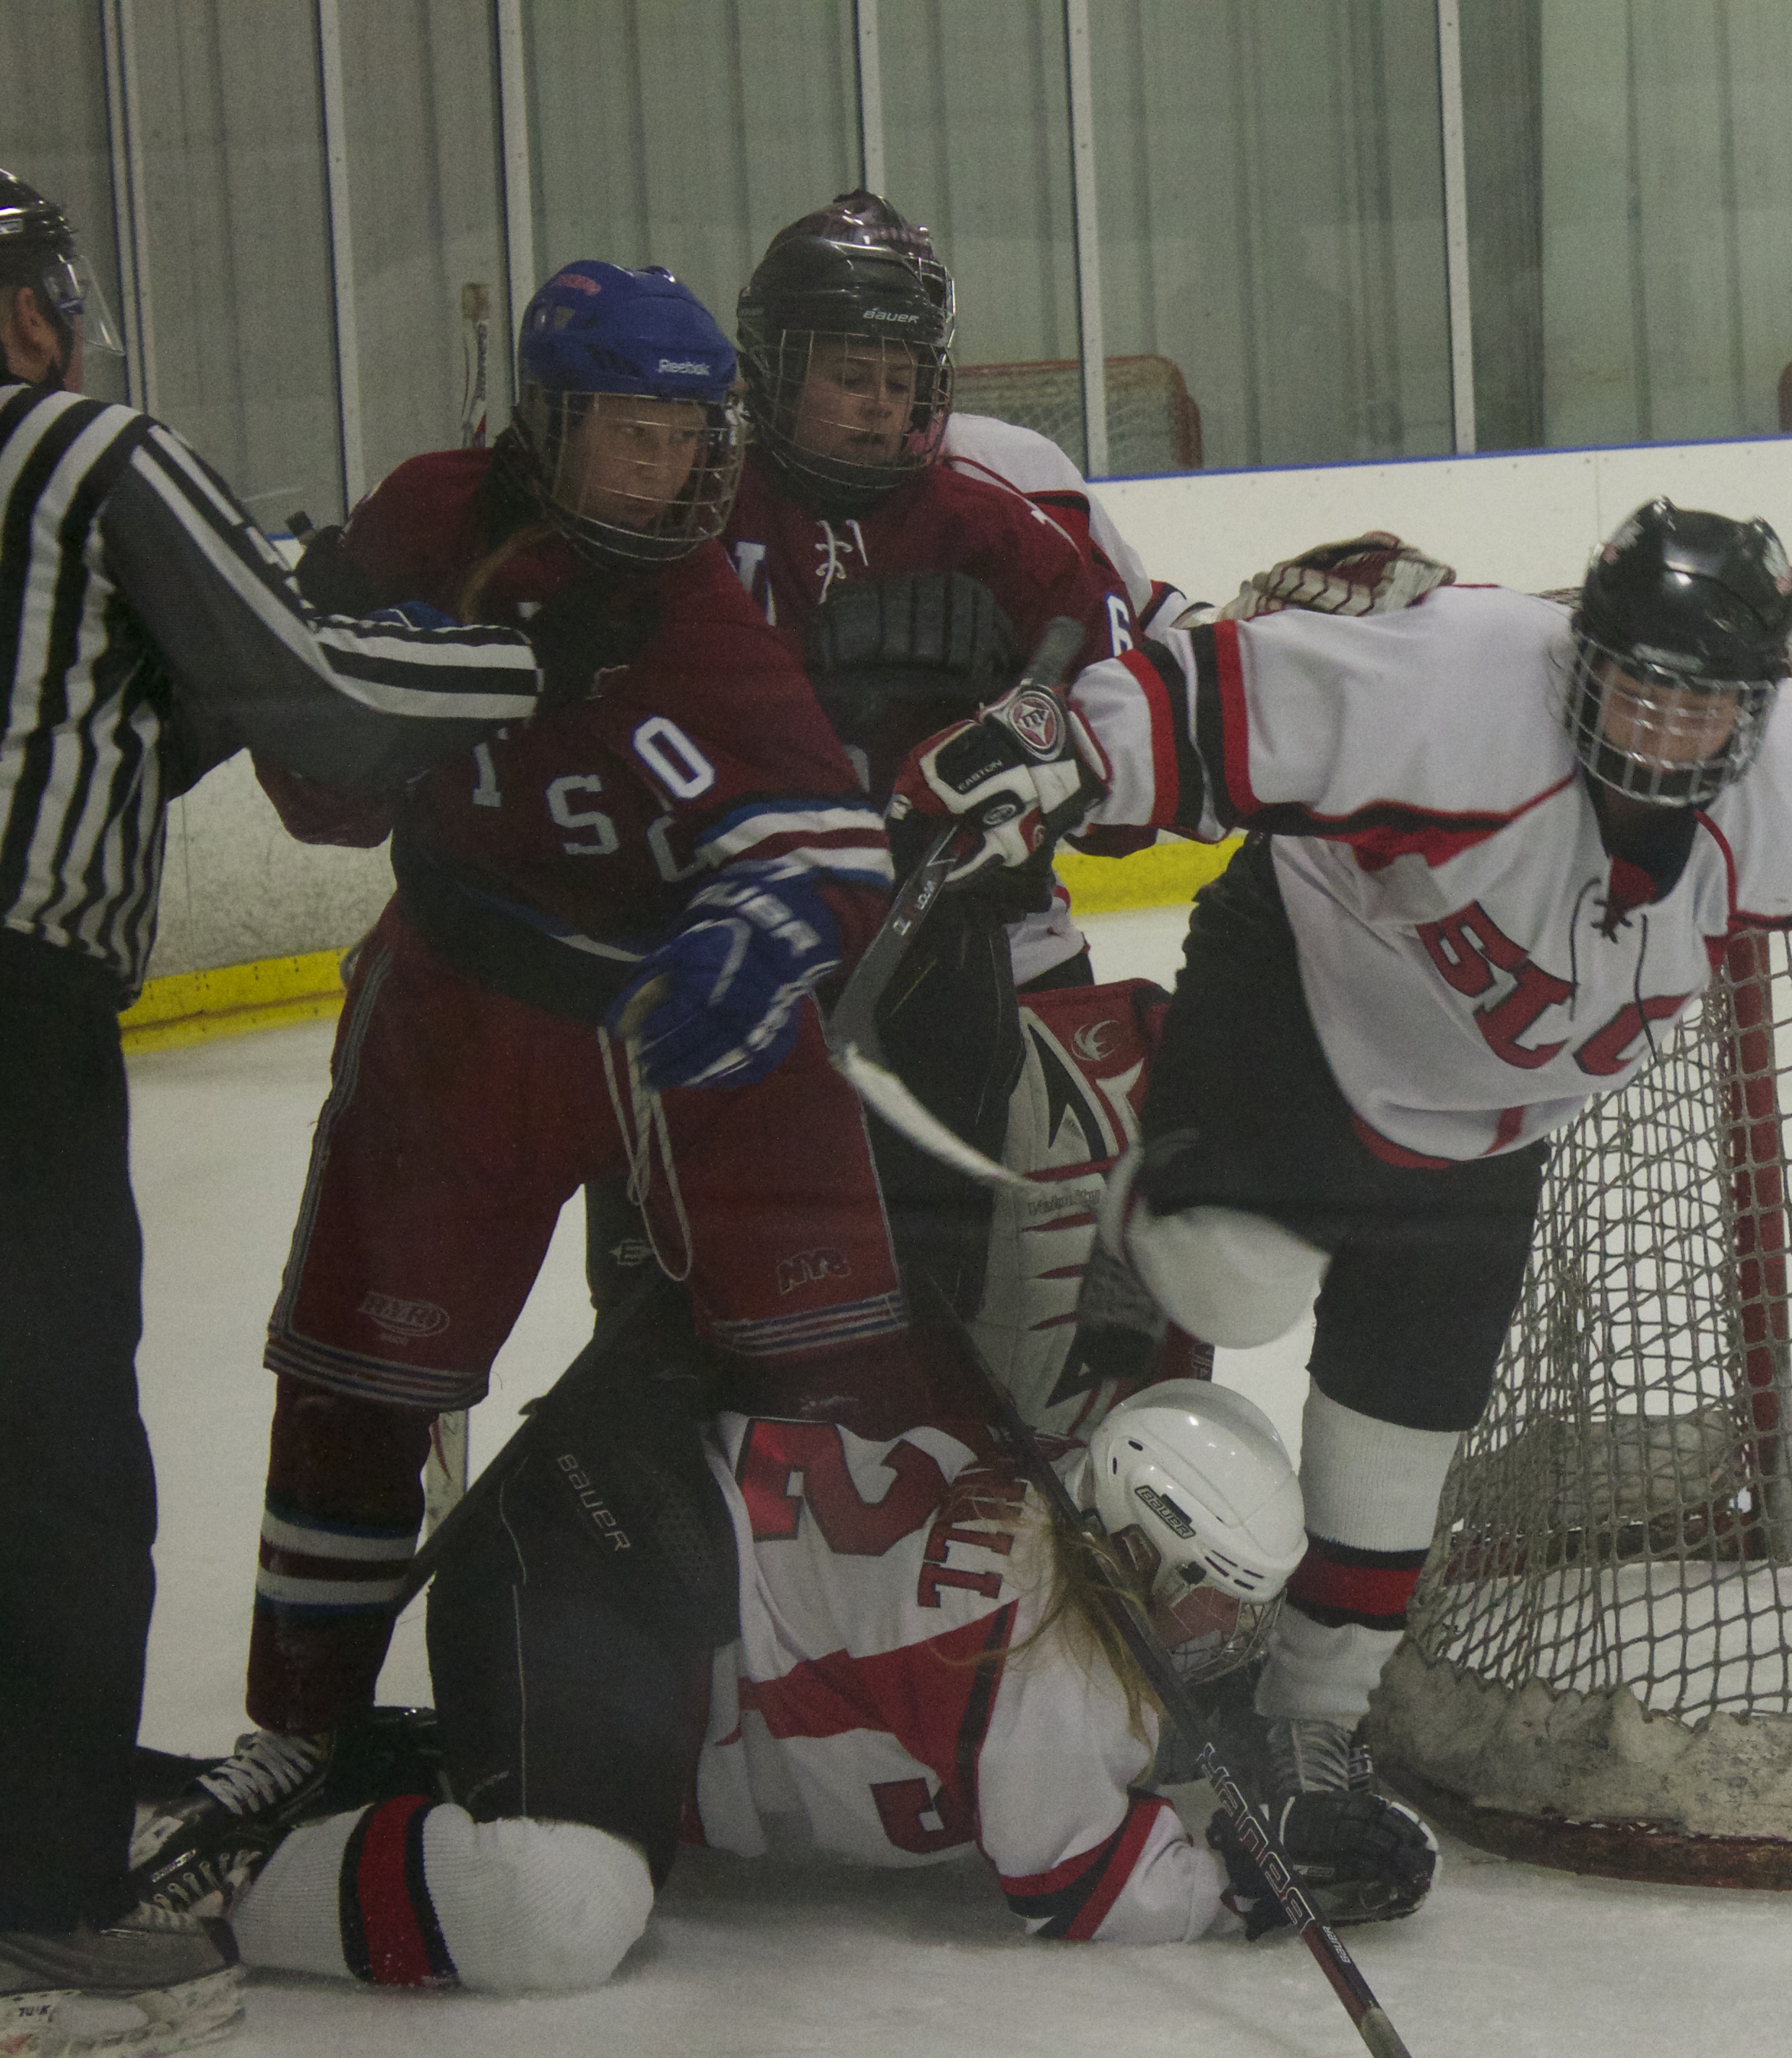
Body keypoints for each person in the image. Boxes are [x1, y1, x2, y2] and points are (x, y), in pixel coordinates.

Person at [887, 499, 1792, 1797]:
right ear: (1585, 662)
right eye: (1639, 691)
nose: (1661, 736)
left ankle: (1313, 1723)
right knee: (1230, 1286)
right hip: (1301, 997)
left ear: (1753, 711)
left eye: (1701, 708)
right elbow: (1217, 700)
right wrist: (1062, 749)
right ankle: (1148, 1196)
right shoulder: (1461, 679)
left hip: (1489, 1130)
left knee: (1401, 1441)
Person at [142, 259, 983, 1907]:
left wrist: (767, 921)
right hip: (466, 1006)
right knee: (361, 1381)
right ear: (545, 422)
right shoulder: (432, 515)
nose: (660, 472)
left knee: (830, 1365)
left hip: (690, 1026)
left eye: (686, 437)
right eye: (627, 434)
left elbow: (827, 835)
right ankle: (301, 1723)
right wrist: (428, 663)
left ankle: (821, 1691)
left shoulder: (701, 598)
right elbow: (311, 774)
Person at [0, 168, 572, 2053]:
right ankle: (39, 1918)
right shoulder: (80, 453)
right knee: (54, 1467)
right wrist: (529, 661)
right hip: (11, 1009)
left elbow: (135, 704)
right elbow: (315, 690)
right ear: (28, 309)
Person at [171, 1377, 1432, 1989]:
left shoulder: (1062, 1488)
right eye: (1216, 1596)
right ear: (1145, 1551)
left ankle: (418, 1780)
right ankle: (212, 1888)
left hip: (607, 1530)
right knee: (562, 1910)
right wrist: (1238, 1890)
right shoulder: (1048, 1662)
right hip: (598, 1566)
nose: (1228, 1633)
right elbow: (1074, 1884)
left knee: (577, 1841)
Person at [571, 191, 1134, 1332]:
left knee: (962, 1302)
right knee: (674, 1308)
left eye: (900, 377)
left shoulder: (993, 523)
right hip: (730, 957)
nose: (881, 406)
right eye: (848, 374)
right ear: (775, 372)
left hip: (962, 958)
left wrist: (1032, 738)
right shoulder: (694, 514)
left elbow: (1119, 711)